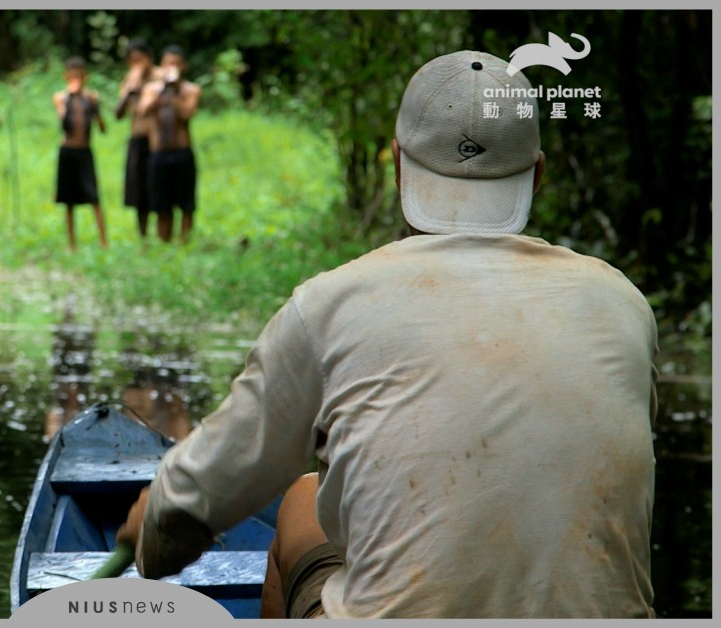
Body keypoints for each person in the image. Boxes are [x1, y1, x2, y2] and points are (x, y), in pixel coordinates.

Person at [115, 50, 658, 619]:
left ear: (398, 165)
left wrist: (154, 523)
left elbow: (207, 487)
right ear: (537, 174)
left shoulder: (329, 303)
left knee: (303, 498)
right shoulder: (623, 303)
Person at [137, 45, 201, 244]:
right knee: (161, 205)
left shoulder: (191, 90)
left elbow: (186, 114)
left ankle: (184, 243)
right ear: (161, 66)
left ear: (184, 66)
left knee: (186, 204)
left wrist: (173, 93)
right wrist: (163, 89)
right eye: (168, 63)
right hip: (157, 154)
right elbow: (142, 111)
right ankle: (164, 243)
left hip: (182, 153)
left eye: (176, 63)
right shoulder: (151, 89)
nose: (172, 67)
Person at [53, 57, 107, 251]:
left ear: (85, 76)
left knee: (94, 197)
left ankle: (103, 241)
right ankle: (71, 243)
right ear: (66, 76)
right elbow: (63, 122)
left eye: (79, 75)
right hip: (67, 151)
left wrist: (94, 108)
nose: (76, 78)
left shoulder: (91, 98)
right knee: (69, 201)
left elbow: (102, 127)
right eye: (72, 75)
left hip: (85, 151)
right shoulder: (61, 97)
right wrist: (70, 98)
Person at [114, 39, 159, 238]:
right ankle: (143, 235)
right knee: (138, 188)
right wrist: (130, 91)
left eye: (139, 60)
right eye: (132, 61)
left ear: (149, 58)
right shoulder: (129, 80)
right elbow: (118, 114)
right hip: (138, 139)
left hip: (159, 142)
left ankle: (162, 232)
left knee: (159, 186)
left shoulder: (161, 77)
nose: (136, 65)